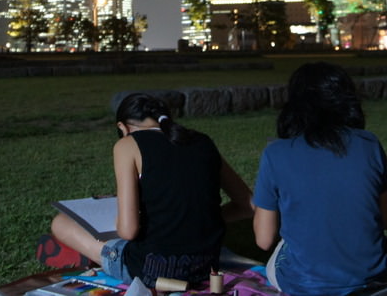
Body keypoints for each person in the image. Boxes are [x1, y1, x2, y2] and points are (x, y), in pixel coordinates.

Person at [49, 93, 253, 288]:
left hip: (150, 270)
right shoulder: (203, 141)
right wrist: (195, 220)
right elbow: (248, 205)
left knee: (61, 223)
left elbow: (128, 231)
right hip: (206, 266)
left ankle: (93, 258)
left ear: (123, 127)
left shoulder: (127, 145)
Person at [252, 62, 387, 295]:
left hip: (305, 284)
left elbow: (264, 240)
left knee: (280, 252)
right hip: (372, 276)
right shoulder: (369, 144)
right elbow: (383, 219)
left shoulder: (276, 153)